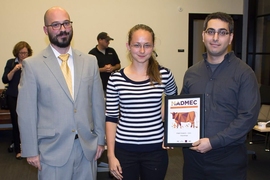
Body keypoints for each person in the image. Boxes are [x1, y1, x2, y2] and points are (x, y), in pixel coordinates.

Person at [17, 6, 105, 180]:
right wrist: (30, 150)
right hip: (51, 151)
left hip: (87, 149)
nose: (62, 29)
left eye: (66, 23)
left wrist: (100, 140)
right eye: (56, 25)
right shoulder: (32, 65)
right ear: (46, 30)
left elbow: (97, 103)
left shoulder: (90, 61)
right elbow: (26, 112)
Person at [180, 12, 260, 180]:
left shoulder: (244, 73)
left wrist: (213, 142)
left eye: (222, 32)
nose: (215, 37)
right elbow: (182, 109)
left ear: (230, 38)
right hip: (193, 159)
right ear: (203, 35)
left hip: (228, 160)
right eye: (210, 31)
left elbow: (248, 117)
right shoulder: (191, 73)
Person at [106, 24, 178, 180]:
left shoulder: (164, 74)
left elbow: (174, 104)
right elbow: (111, 118)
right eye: (137, 45)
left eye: (147, 45)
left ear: (153, 47)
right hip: (124, 150)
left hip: (156, 150)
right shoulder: (116, 78)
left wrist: (170, 132)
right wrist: (111, 155)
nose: (142, 50)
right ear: (128, 46)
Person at [2, 41, 33, 160]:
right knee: (16, 121)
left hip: (27, 96)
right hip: (13, 96)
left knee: (28, 122)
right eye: (21, 53)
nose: (23, 55)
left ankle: (29, 148)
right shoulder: (11, 62)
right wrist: (15, 69)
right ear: (17, 53)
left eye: (25, 53)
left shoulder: (31, 63)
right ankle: (18, 150)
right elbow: (5, 79)